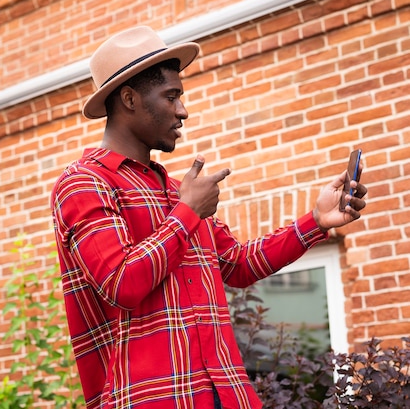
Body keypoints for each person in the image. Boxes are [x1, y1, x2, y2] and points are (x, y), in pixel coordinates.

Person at [50, 26, 367, 409]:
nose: (183, 111)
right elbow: (121, 282)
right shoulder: (84, 183)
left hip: (227, 394)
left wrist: (315, 221)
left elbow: (237, 264)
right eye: (171, 96)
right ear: (130, 99)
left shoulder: (175, 189)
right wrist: (187, 213)